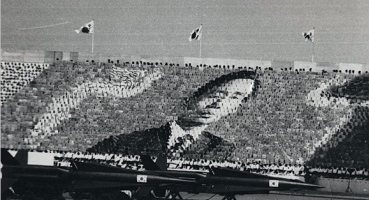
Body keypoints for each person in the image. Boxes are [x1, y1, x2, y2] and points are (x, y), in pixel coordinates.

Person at [87, 70, 260, 171]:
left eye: (235, 98)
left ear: (237, 107)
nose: (218, 104)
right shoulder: (121, 143)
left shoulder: (225, 150)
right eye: (215, 95)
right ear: (189, 97)